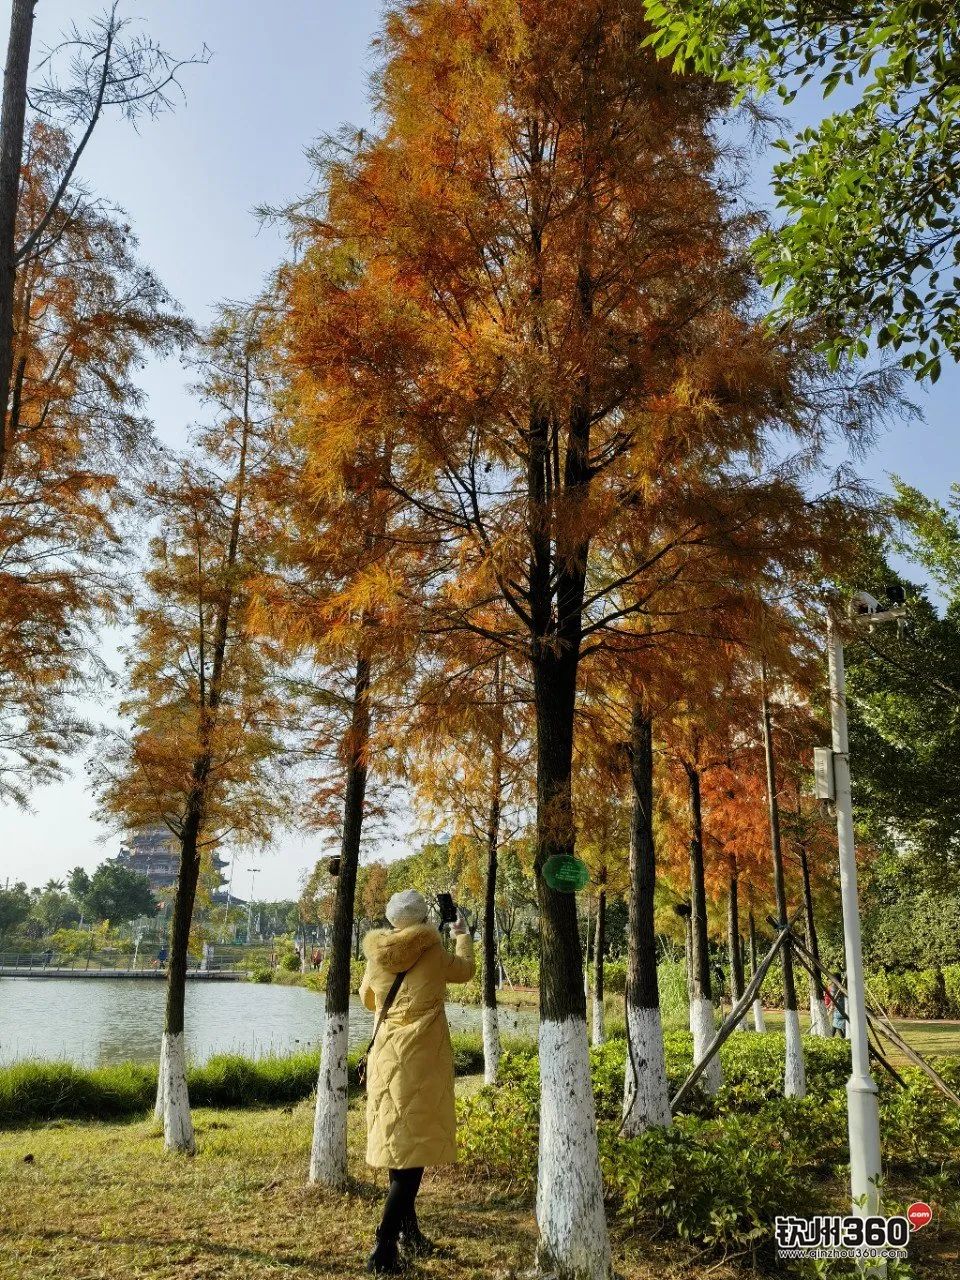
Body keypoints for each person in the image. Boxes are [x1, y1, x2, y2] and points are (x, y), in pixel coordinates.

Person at [359, 888, 475, 1275]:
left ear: (392, 920)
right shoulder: (434, 953)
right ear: (424, 917)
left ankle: (410, 1232)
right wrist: (460, 932)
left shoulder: (376, 955)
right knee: (413, 1161)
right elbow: (466, 971)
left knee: (399, 1150)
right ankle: (383, 1247)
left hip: (386, 1056)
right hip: (421, 1059)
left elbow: (368, 1000)